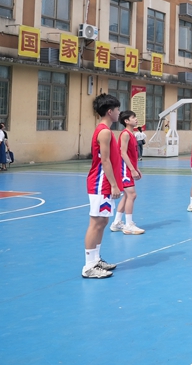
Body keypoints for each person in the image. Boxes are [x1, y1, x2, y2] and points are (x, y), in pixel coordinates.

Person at [82, 94, 123, 279]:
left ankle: (96, 259)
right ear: (110, 111)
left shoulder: (105, 130)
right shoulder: (104, 131)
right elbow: (104, 160)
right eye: (117, 110)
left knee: (103, 221)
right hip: (100, 183)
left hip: (104, 183)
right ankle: (89, 266)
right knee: (96, 222)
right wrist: (113, 184)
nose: (119, 113)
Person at [110, 111, 144, 235]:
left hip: (129, 168)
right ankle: (129, 224)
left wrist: (136, 168)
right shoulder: (125, 134)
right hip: (124, 169)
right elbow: (123, 153)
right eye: (133, 117)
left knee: (127, 195)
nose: (136, 119)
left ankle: (117, 222)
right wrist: (132, 169)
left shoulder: (132, 134)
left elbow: (132, 154)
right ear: (126, 121)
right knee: (132, 195)